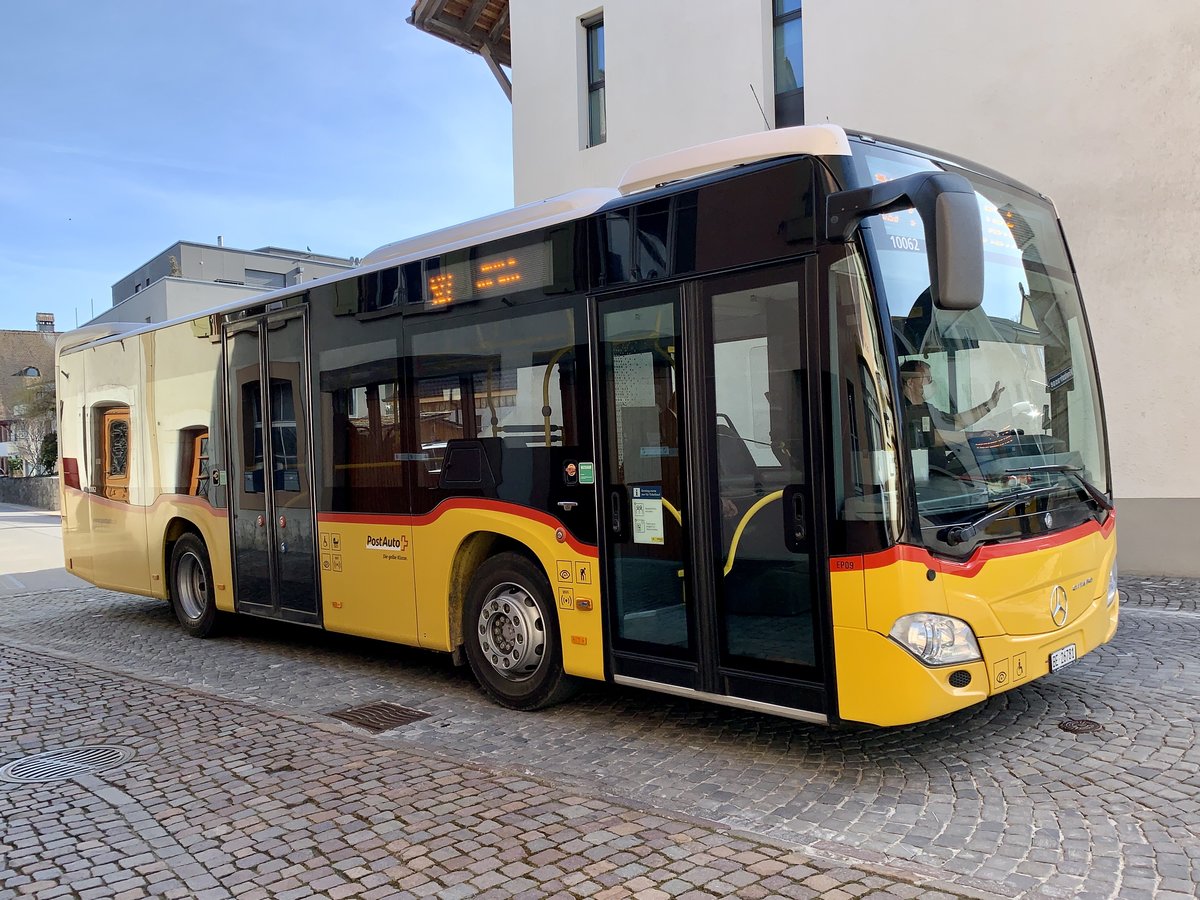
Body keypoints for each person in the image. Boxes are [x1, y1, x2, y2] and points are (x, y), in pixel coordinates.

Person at [899, 359, 1004, 452]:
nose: (931, 382)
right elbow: (932, 436)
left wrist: (988, 405)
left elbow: (956, 421)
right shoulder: (902, 410)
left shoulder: (926, 408)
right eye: (927, 378)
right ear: (910, 383)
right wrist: (972, 435)